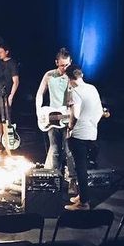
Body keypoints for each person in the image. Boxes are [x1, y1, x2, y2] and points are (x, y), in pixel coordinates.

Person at [35, 47, 77, 194]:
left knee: (69, 150)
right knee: (54, 149)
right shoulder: (49, 75)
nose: (65, 68)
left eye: (67, 65)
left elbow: (76, 100)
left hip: (67, 117)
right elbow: (39, 94)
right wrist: (38, 110)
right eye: (62, 65)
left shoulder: (73, 77)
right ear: (56, 63)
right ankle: (54, 179)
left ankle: (72, 180)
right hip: (52, 117)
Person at [64, 64, 104, 211]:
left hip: (78, 134)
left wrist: (69, 128)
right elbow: (99, 111)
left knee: (80, 167)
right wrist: (91, 124)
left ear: (70, 78)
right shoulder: (92, 88)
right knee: (84, 166)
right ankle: (82, 195)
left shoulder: (75, 92)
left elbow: (75, 115)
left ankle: (84, 203)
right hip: (92, 133)